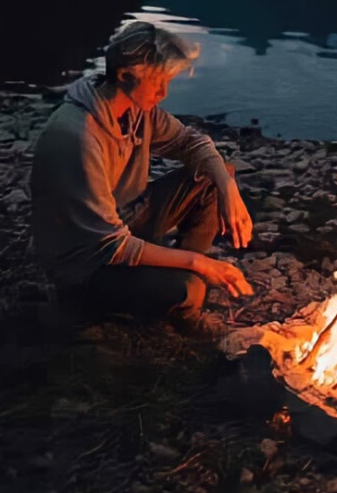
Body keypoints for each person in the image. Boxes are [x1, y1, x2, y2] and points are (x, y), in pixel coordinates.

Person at [30, 20, 254, 336]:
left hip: (128, 220)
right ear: (124, 76)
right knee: (190, 288)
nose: (163, 93)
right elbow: (111, 244)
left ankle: (177, 282)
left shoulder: (136, 110)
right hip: (87, 263)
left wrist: (228, 188)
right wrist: (196, 263)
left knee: (216, 176)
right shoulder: (78, 137)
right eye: (157, 83)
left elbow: (192, 142)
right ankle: (92, 309)